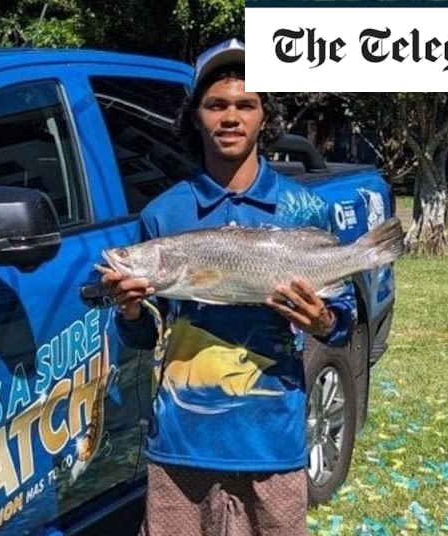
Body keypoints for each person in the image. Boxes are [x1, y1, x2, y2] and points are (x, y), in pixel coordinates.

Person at [99, 38, 356, 536]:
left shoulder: (304, 211)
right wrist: (129, 314)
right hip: (182, 443)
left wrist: (322, 320)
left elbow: (339, 323)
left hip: (272, 443)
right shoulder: (163, 215)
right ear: (196, 116)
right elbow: (144, 339)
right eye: (216, 105)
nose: (231, 116)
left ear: (265, 116)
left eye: (246, 104)